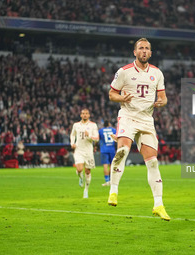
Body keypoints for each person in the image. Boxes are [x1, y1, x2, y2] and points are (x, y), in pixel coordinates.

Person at [107, 38, 170, 221]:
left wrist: (162, 102)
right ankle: (113, 191)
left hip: (147, 120)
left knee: (152, 162)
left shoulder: (157, 73)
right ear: (135, 52)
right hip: (128, 116)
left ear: (151, 53)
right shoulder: (124, 72)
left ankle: (158, 205)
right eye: (140, 48)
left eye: (147, 49)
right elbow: (112, 94)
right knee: (123, 150)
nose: (144, 51)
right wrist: (122, 99)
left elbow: (164, 98)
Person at [70, 109, 99, 199]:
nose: (85, 115)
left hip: (88, 151)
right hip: (79, 150)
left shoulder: (93, 125)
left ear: (89, 115)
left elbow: (97, 138)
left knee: (88, 171)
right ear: (80, 115)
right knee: (79, 169)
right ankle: (80, 177)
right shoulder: (76, 125)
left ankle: (86, 190)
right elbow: (72, 135)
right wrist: (72, 143)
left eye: (86, 113)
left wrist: (89, 135)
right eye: (83, 113)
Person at [98, 120, 117, 186]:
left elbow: (98, 139)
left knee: (105, 165)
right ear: (109, 124)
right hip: (112, 149)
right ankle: (111, 180)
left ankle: (107, 181)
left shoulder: (100, 131)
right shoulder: (113, 130)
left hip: (104, 149)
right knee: (111, 165)